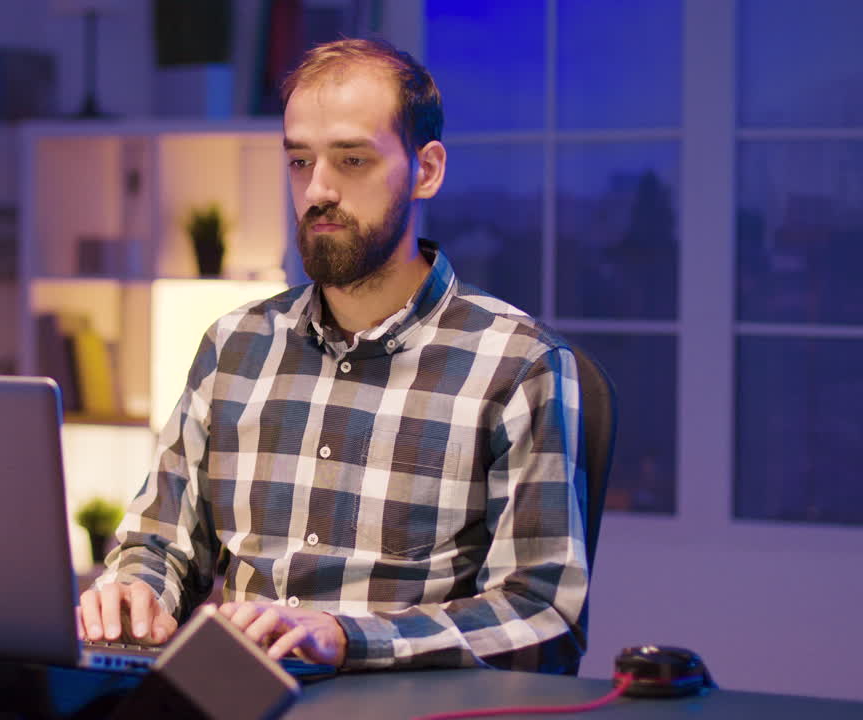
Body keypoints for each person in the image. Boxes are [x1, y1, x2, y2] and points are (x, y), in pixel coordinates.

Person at [78, 38, 589, 674]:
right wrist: (134, 593)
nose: (318, 189)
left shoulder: (520, 364)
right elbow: (159, 543)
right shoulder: (234, 345)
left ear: (426, 170)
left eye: (351, 160)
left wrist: (348, 638)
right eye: (299, 162)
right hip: (235, 698)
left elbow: (540, 610)